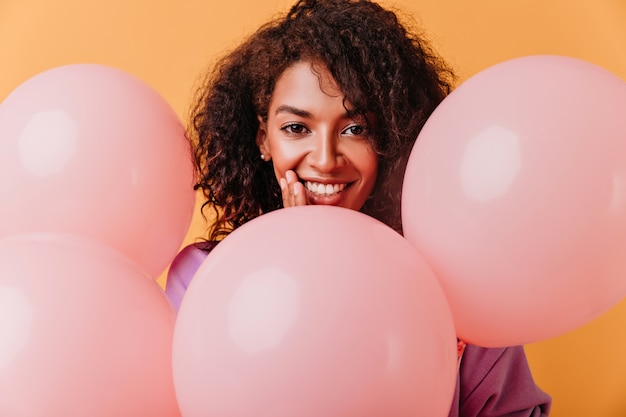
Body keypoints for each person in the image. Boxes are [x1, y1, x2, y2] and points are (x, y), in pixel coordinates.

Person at [165, 0, 552, 415]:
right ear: (263, 139)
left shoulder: (457, 293)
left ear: (390, 138)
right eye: (297, 128)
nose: (326, 158)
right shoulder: (203, 279)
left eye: (355, 129)